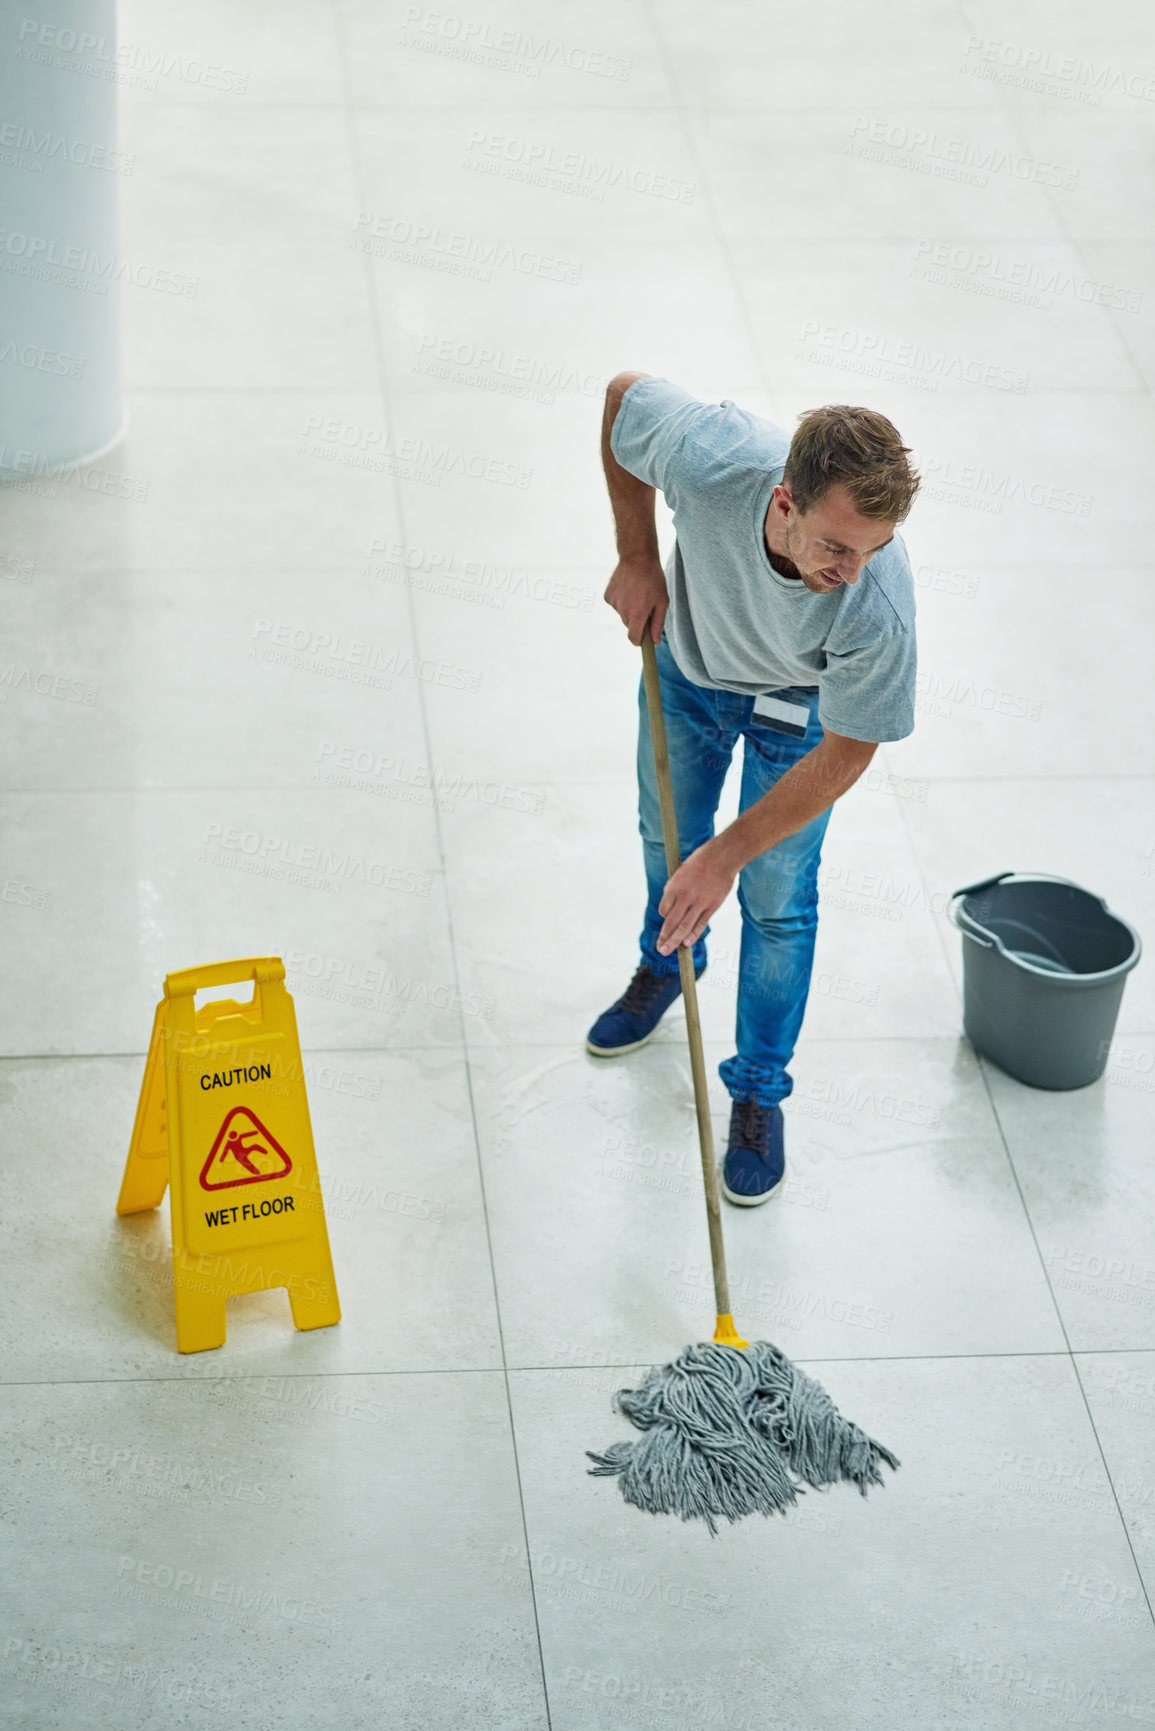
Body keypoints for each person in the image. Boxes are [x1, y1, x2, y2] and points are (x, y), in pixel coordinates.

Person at [587, 373, 920, 1206]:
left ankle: (758, 1090)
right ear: (782, 502)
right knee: (666, 841)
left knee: (775, 900)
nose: (852, 571)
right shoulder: (712, 458)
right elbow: (623, 397)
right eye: (836, 546)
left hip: (801, 717)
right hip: (689, 667)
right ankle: (666, 963)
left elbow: (847, 752)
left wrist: (728, 855)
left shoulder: (875, 599)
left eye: (872, 548)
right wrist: (635, 555)